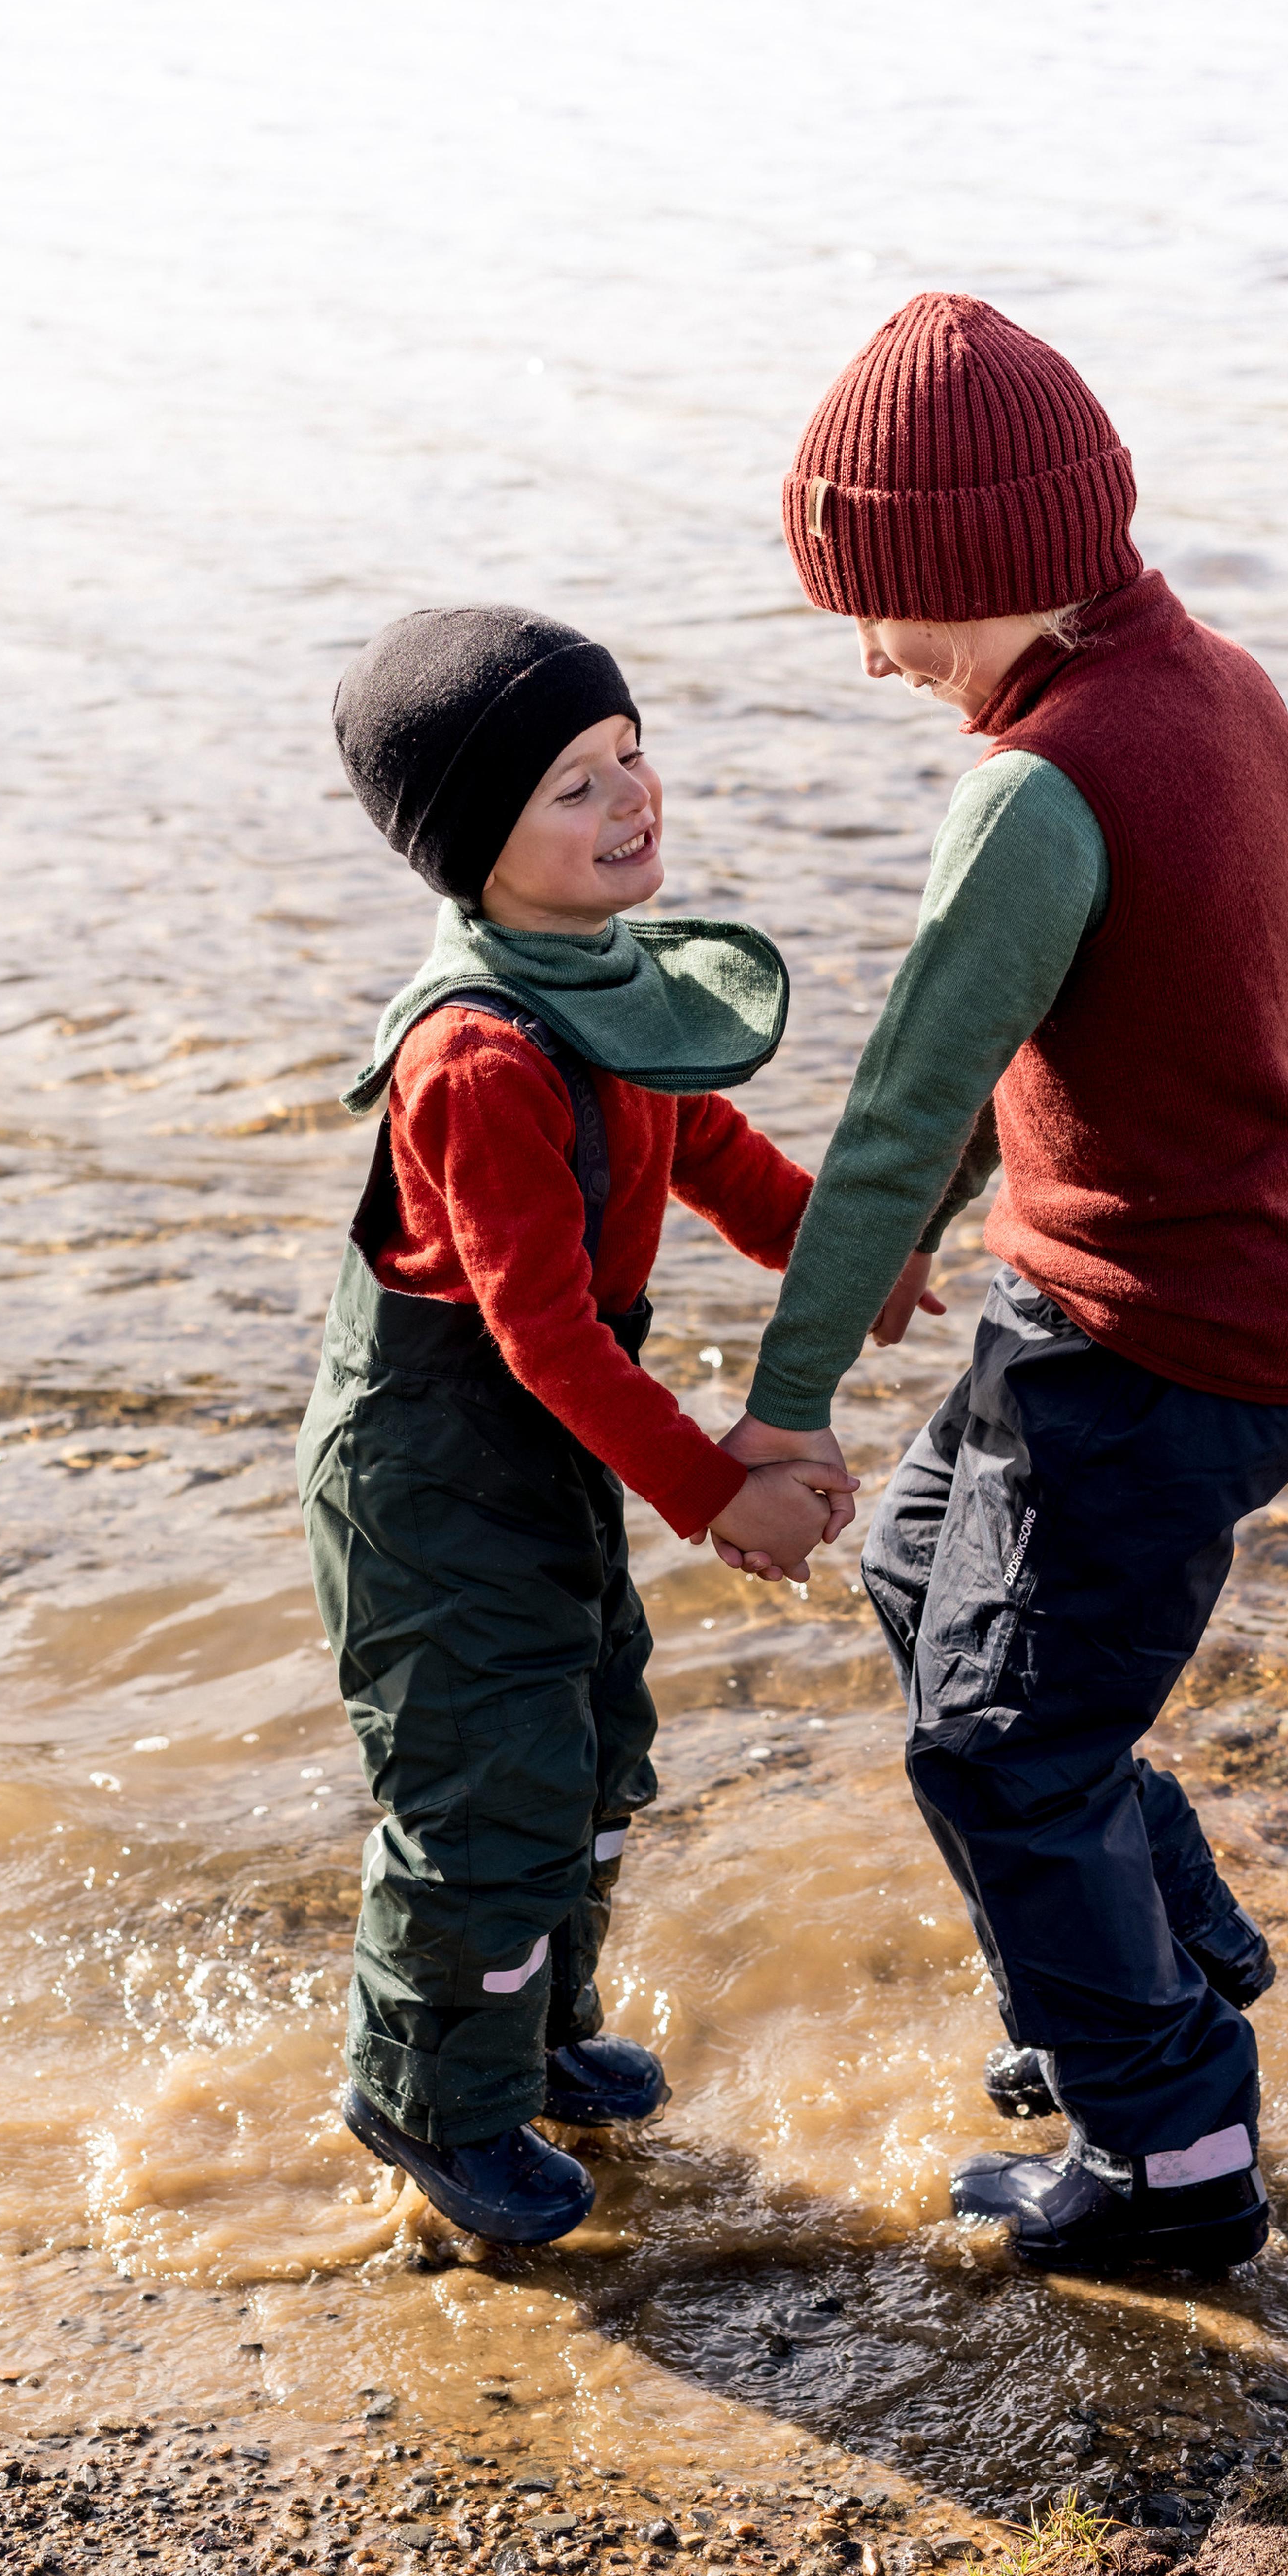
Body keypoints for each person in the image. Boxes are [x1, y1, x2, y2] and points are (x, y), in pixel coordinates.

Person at [723, 295, 1288, 2275]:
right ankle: (1146, 1946)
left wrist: (784, 1402)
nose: (871, 654)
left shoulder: (1039, 789)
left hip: (1152, 1336)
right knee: (930, 1584)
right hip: (1238, 1281)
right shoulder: (1222, 684)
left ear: (988, 562)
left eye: (883, 606)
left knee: (1002, 1748)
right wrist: (931, 1229)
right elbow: (1045, 1045)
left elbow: (901, 1097)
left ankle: (1172, 2159)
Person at [299, 606, 856, 2247]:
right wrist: (716, 1492)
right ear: (478, 842)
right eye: (574, 786)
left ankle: (532, 2038)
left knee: (595, 1741)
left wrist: (845, 1248)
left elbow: (706, 1146)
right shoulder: (478, 1054)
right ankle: (425, 2096)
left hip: (544, 1444)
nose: (632, 798)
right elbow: (541, 1331)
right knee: (487, 1784)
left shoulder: (610, 982)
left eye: (631, 753)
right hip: (428, 1469)